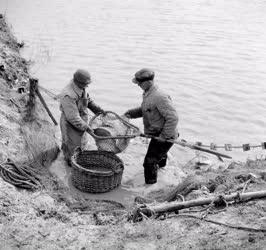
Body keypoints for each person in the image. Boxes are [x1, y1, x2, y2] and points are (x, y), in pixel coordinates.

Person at [124, 68, 178, 184]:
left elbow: (173, 118)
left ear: (148, 82)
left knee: (149, 162)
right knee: (160, 157)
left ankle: (150, 187)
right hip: (158, 133)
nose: (138, 85)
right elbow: (146, 110)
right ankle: (163, 174)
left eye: (139, 83)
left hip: (165, 135)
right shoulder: (148, 94)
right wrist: (130, 113)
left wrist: (164, 136)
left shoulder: (159, 97)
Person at [59, 69, 105, 165]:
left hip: (82, 121)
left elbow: (88, 100)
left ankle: (78, 161)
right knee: (71, 148)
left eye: (87, 83)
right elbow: (73, 117)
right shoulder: (68, 95)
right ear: (77, 82)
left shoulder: (81, 87)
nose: (87, 86)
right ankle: (69, 165)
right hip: (70, 124)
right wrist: (87, 127)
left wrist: (98, 109)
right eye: (85, 84)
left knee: (82, 144)